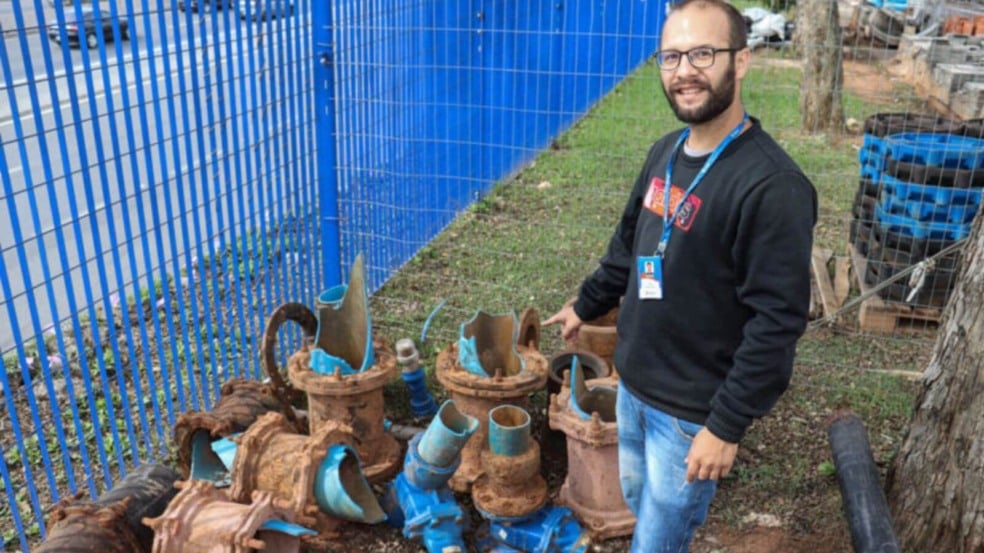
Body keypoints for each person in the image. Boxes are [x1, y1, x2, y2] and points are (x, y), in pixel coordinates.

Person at [543, 0, 817, 551]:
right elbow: (630, 244)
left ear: (741, 61)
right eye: (671, 56)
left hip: (691, 417)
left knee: (659, 539)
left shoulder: (773, 188)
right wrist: (586, 303)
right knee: (641, 506)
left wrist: (724, 428)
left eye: (702, 53)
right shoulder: (665, 153)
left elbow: (777, 323)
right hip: (632, 387)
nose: (683, 70)